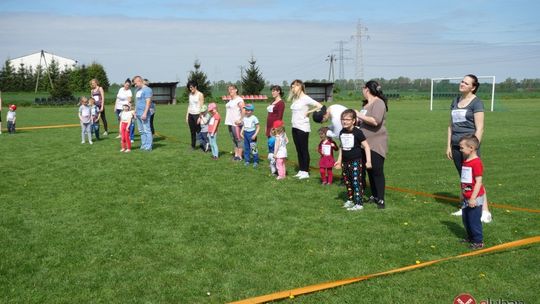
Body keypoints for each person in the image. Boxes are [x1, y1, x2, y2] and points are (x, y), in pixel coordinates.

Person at [447, 74, 492, 223]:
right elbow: (450, 126)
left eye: (466, 83)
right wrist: (448, 145)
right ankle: (465, 206)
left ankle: (485, 211)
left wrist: (473, 148)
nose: (462, 84)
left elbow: (480, 128)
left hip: (470, 148)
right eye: (461, 81)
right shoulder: (455, 101)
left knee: (475, 178)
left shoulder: (476, 103)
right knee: (463, 177)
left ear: (473, 87)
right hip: (456, 146)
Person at [357, 80, 389, 209]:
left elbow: (376, 121)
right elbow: (363, 122)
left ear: (367, 89)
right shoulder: (365, 105)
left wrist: (358, 114)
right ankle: (374, 195)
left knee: (377, 171)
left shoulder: (378, 102)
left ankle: (381, 199)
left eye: (362, 88)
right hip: (365, 143)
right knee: (369, 170)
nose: (362, 91)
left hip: (376, 143)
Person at [334, 109, 372, 211]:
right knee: (348, 182)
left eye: (347, 119)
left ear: (353, 120)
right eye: (342, 119)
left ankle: (359, 203)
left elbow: (367, 147)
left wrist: (368, 161)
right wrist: (339, 160)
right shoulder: (342, 132)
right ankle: (350, 200)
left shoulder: (358, 132)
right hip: (345, 162)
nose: (344, 121)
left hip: (356, 161)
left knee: (356, 182)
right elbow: (342, 147)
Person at [289, 79, 323, 179]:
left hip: (303, 127)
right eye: (292, 87)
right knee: (298, 150)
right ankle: (301, 170)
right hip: (294, 127)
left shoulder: (306, 98)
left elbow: (320, 106)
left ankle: (306, 171)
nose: (293, 88)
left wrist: (309, 112)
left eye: (294, 86)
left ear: (300, 86)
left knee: (303, 149)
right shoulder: (295, 99)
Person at [458, 134, 486, 249]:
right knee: (466, 219)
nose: (460, 150)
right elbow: (464, 180)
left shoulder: (476, 162)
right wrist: (462, 193)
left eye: (462, 147)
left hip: (474, 197)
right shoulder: (466, 161)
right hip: (466, 196)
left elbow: (478, 182)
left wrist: (473, 198)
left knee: (474, 220)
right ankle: (471, 237)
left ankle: (478, 241)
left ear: (471, 148)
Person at [224, 84, 245, 161]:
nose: (230, 91)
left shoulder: (239, 100)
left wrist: (240, 119)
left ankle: (240, 156)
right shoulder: (231, 100)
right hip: (230, 123)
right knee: (233, 139)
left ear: (236, 90)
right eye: (229, 89)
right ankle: (236, 155)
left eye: (232, 89)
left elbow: (243, 110)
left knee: (239, 139)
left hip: (236, 124)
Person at [133, 75, 153, 151]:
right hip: (137, 113)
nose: (135, 85)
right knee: (141, 131)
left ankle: (149, 146)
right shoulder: (137, 90)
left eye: (135, 83)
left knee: (147, 130)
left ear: (139, 81)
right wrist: (135, 112)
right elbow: (137, 102)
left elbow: (148, 102)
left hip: (144, 113)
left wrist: (145, 113)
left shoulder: (148, 90)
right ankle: (143, 145)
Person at [186, 80, 205, 150]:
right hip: (191, 114)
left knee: (199, 131)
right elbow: (189, 105)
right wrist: (187, 115)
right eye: (189, 88)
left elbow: (202, 107)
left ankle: (203, 145)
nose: (190, 89)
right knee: (192, 131)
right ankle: (193, 146)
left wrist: (200, 117)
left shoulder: (200, 94)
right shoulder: (190, 95)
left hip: (197, 115)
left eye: (191, 87)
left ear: (195, 87)